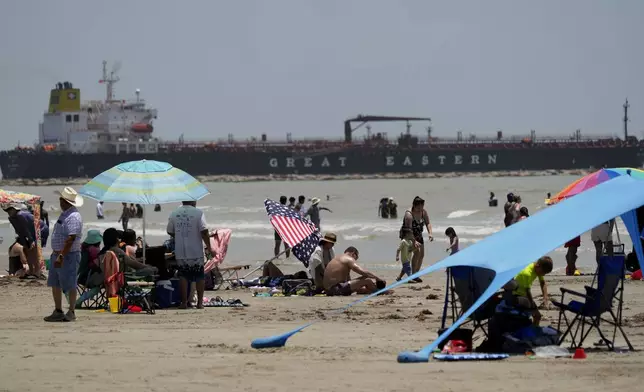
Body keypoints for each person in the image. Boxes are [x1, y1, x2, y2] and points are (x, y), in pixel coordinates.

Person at [167, 201, 216, 309]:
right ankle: (199, 303)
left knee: (183, 275)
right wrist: (210, 247)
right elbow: (204, 231)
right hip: (196, 250)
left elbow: (169, 231)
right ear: (194, 201)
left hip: (181, 250)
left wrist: (179, 236)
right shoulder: (198, 213)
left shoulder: (174, 213)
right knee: (199, 276)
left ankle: (184, 303)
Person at [45, 187, 84, 322]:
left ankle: (71, 311)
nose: (60, 202)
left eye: (61, 199)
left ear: (64, 201)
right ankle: (58, 310)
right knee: (55, 282)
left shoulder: (73, 216)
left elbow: (71, 239)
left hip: (68, 255)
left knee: (70, 283)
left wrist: (61, 256)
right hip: (58, 254)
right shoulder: (65, 214)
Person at [504, 256, 553, 326]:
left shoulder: (537, 269)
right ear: (537, 265)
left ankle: (533, 331)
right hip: (516, 295)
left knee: (537, 316)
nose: (543, 274)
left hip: (524, 293)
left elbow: (542, 283)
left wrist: (545, 298)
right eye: (543, 272)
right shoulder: (527, 273)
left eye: (545, 273)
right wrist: (532, 305)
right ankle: (531, 330)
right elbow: (527, 291)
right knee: (535, 315)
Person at [2, 203, 40, 279]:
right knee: (30, 252)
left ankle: (36, 271)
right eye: (7, 211)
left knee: (33, 252)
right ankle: (33, 271)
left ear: (14, 209)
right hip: (28, 234)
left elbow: (25, 228)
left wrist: (31, 240)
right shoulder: (12, 218)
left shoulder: (20, 215)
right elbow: (19, 230)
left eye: (10, 210)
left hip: (36, 231)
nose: (9, 213)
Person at [402, 196, 433, 282]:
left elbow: (428, 223)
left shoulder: (423, 212)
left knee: (422, 255)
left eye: (422, 207)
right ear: (413, 206)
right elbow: (408, 230)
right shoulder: (409, 214)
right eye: (418, 208)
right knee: (417, 252)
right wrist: (414, 241)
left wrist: (430, 233)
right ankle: (411, 275)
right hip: (408, 235)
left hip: (418, 234)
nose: (420, 209)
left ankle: (416, 274)